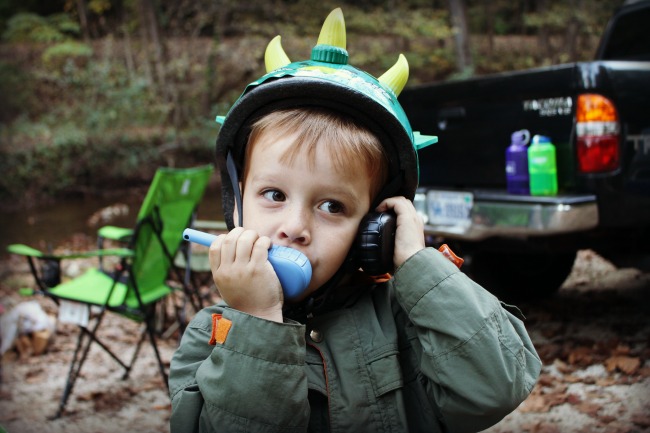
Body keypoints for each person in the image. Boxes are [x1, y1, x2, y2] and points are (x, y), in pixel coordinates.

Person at [169, 8, 541, 433]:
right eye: (274, 195)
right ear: (236, 204)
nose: (295, 227)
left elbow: (496, 389)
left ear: (374, 228)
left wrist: (418, 266)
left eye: (332, 206)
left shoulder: (407, 317)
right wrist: (256, 320)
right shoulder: (211, 335)